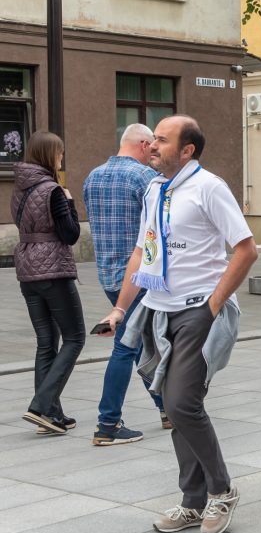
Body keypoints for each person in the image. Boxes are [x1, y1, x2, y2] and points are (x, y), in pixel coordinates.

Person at [97, 115, 257, 533]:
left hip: (198, 311)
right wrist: (119, 310)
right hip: (159, 310)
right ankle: (192, 500)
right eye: (151, 140)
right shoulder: (154, 189)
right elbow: (140, 254)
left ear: (187, 150)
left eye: (162, 141)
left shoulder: (210, 187)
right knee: (174, 403)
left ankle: (221, 490)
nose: (152, 146)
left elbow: (245, 250)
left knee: (183, 401)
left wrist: (212, 305)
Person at [84, 123, 170, 446]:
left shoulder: (92, 177)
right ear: (144, 145)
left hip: (108, 276)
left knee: (142, 346)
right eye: (154, 147)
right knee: (127, 348)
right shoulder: (144, 178)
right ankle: (108, 423)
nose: (155, 154)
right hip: (138, 278)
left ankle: (166, 409)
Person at [12, 131, 85, 435]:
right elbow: (70, 234)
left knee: (46, 343)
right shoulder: (53, 190)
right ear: (48, 155)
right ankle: (40, 406)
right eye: (59, 153)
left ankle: (51, 415)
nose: (61, 157)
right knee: (74, 338)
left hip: (27, 271)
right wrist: (69, 202)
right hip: (53, 270)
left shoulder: (19, 189)